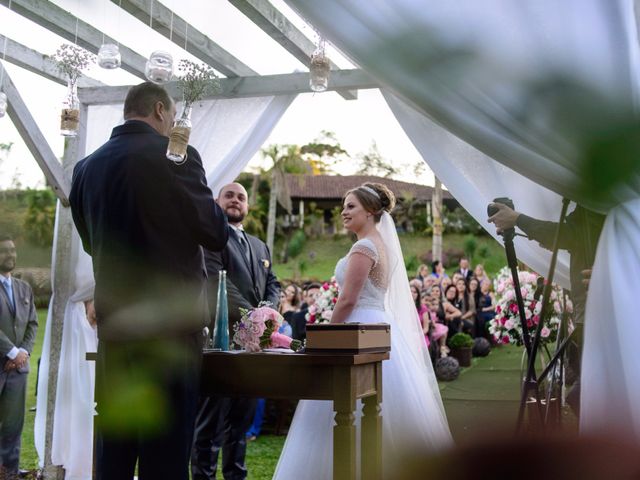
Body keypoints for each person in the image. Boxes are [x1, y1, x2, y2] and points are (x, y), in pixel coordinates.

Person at [69, 82, 229, 480]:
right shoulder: (176, 157)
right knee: (166, 454)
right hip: (170, 330)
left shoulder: (85, 168)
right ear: (160, 110)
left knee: (115, 454)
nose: (174, 122)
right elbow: (214, 233)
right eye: (172, 115)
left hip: (118, 328)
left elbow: (93, 244)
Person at [273, 183, 452, 479]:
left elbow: (348, 298)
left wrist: (326, 336)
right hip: (378, 325)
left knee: (345, 403)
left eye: (350, 206)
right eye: (343, 205)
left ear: (370, 211)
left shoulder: (365, 246)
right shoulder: (381, 245)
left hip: (356, 329)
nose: (343, 211)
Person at [191, 182, 280, 480]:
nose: (235, 201)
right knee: (211, 424)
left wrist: (267, 311)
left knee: (239, 424)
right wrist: (254, 315)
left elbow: (273, 285)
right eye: (229, 195)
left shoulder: (260, 246)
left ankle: (236, 476)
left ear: (247, 207)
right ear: (217, 202)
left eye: (241, 197)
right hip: (221, 342)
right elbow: (218, 282)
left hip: (256, 347)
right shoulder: (211, 240)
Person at [488, 202, 605, 413]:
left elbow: (573, 235)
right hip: (588, 309)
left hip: (600, 311)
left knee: (593, 396)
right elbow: (574, 237)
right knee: (585, 394)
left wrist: (518, 219)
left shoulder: (601, 199)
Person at [0, 236, 37, 477]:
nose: (11, 255)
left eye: (13, 250)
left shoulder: (24, 288)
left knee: (13, 425)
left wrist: (23, 353)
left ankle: (10, 471)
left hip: (18, 370)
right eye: (4, 251)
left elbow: (33, 324)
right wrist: (12, 351)